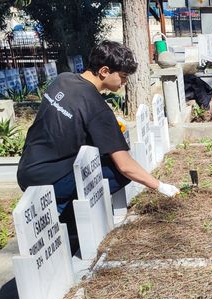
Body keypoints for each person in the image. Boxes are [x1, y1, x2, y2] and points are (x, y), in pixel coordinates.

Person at [17, 41, 179, 235]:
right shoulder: (97, 107)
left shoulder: (63, 79)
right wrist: (160, 186)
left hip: (26, 169)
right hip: (51, 181)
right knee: (117, 173)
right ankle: (68, 215)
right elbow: (125, 166)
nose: (124, 83)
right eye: (123, 76)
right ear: (104, 71)